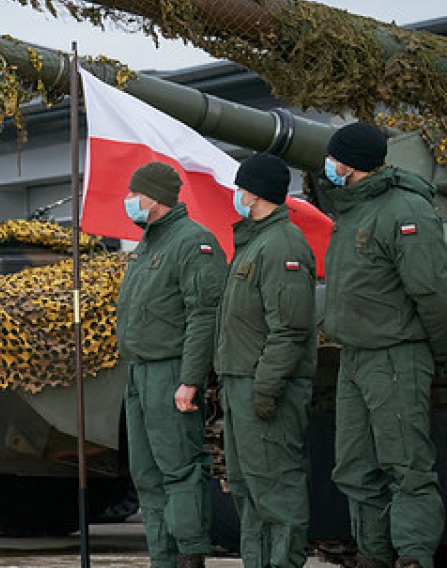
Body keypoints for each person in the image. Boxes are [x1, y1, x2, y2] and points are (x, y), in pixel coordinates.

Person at [319, 122, 447, 568]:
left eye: (333, 158)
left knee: (407, 465)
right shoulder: (354, 209)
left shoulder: (403, 210)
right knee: (355, 468)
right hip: (355, 356)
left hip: (396, 354)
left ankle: (413, 556)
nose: (328, 165)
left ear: (350, 164)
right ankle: (372, 555)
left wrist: (442, 354)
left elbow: (431, 291)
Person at [117, 161, 226, 568]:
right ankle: (162, 558)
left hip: (171, 373)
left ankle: (189, 554)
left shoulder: (193, 242)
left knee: (179, 469)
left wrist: (190, 380)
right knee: (146, 473)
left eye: (134, 192)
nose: (128, 199)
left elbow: (204, 316)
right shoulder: (150, 242)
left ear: (155, 198)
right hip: (139, 372)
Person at [214, 153, 316, 568]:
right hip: (241, 384)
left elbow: (289, 329)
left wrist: (266, 389)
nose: (236, 195)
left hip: (263, 386)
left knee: (276, 488)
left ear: (254, 192)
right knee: (247, 487)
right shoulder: (255, 242)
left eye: (240, 187)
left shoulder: (282, 245)